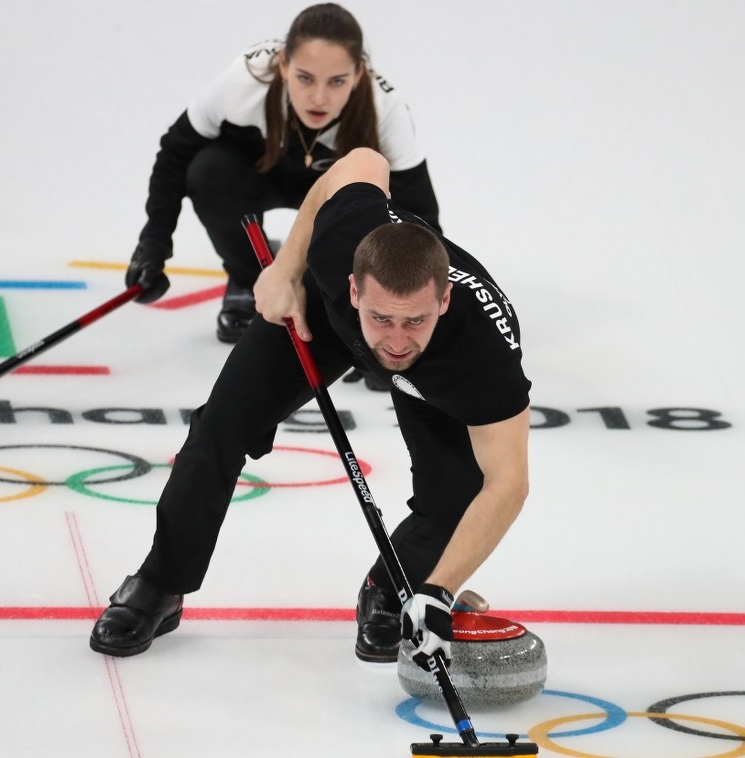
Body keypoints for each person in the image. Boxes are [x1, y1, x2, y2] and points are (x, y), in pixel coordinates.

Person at [91, 148, 531, 670]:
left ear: (444, 301)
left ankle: (394, 587)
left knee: (459, 488)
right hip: (322, 315)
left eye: (414, 320)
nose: (395, 341)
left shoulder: (482, 354)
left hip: (434, 369)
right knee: (220, 430)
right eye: (383, 318)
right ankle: (161, 583)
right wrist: (285, 269)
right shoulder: (343, 238)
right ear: (354, 288)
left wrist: (439, 592)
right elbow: (361, 160)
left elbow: (507, 483)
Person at [125, 3, 440, 347]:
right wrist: (154, 243)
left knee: (375, 210)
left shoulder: (386, 110)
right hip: (258, 174)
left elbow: (419, 215)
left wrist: (423, 303)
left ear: (358, 74)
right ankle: (248, 278)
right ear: (284, 64)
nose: (319, 98)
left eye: (337, 81)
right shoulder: (243, 81)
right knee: (209, 171)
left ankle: (346, 304)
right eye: (305, 78)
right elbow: (175, 153)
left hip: (337, 196)